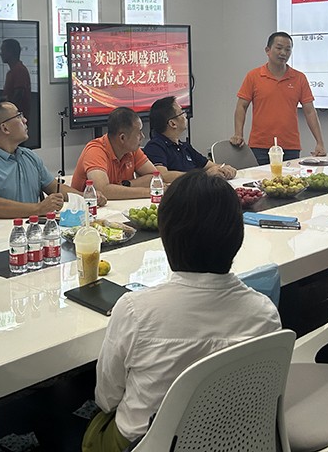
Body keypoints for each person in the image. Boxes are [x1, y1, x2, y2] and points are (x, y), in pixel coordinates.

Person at [84, 171, 282, 450]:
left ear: (165, 236)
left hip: (147, 444)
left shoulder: (135, 311)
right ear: (238, 236)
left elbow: (107, 399)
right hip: (236, 440)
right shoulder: (264, 313)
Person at [0, 99, 105, 218]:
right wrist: (38, 209)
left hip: (34, 229)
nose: (25, 120)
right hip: (2, 235)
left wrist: (86, 197)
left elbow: (53, 187)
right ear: (5, 128)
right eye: (19, 116)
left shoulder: (29, 156)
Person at [230, 31, 326, 165]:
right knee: (261, 177)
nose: (283, 53)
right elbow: (241, 106)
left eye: (288, 49)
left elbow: (310, 111)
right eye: (279, 48)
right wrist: (238, 134)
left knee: (291, 178)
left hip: (290, 146)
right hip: (260, 146)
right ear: (267, 50)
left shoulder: (299, 78)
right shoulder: (253, 76)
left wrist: (319, 142)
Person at [72, 107, 160, 200]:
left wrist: (127, 184)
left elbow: (155, 177)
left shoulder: (132, 149)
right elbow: (103, 190)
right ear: (122, 138)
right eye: (138, 133)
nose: (143, 136)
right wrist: (148, 192)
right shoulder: (95, 151)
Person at [142, 96, 236, 181]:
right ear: (172, 123)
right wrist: (203, 175)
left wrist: (223, 169)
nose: (185, 116)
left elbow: (209, 165)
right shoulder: (155, 147)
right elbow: (162, 175)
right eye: (182, 113)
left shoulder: (184, 146)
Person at [1, 38, 31, 118]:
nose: (0, 54)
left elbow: (18, 94)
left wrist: (9, 114)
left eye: (3, 50)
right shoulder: (11, 72)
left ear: (10, 52)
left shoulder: (20, 70)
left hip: (16, 118)